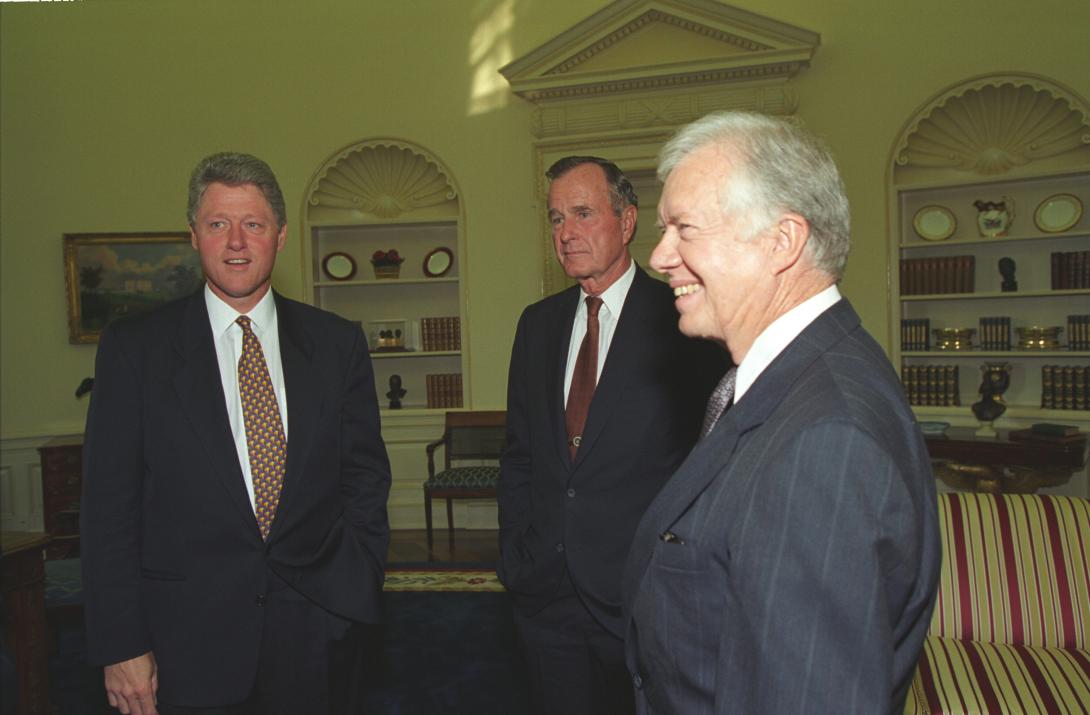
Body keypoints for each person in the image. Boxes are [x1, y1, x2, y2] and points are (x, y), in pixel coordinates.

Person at [622, 112, 942, 713]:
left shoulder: (825, 440)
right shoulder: (800, 376)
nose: (660, 256)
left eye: (683, 228)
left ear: (782, 242)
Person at [80, 152, 392, 715]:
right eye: (218, 224)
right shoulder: (135, 350)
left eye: (253, 224)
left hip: (318, 632)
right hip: (185, 644)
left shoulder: (336, 344)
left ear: (281, 236)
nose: (236, 242)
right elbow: (109, 509)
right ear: (193, 235)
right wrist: (121, 642)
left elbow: (364, 478)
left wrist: (359, 582)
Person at [497, 156, 726, 714]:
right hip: (544, 590)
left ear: (626, 222)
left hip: (640, 592)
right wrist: (517, 551)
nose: (566, 233)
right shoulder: (537, 324)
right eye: (555, 219)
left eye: (581, 213)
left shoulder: (683, 320)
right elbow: (521, 453)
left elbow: (710, 462)